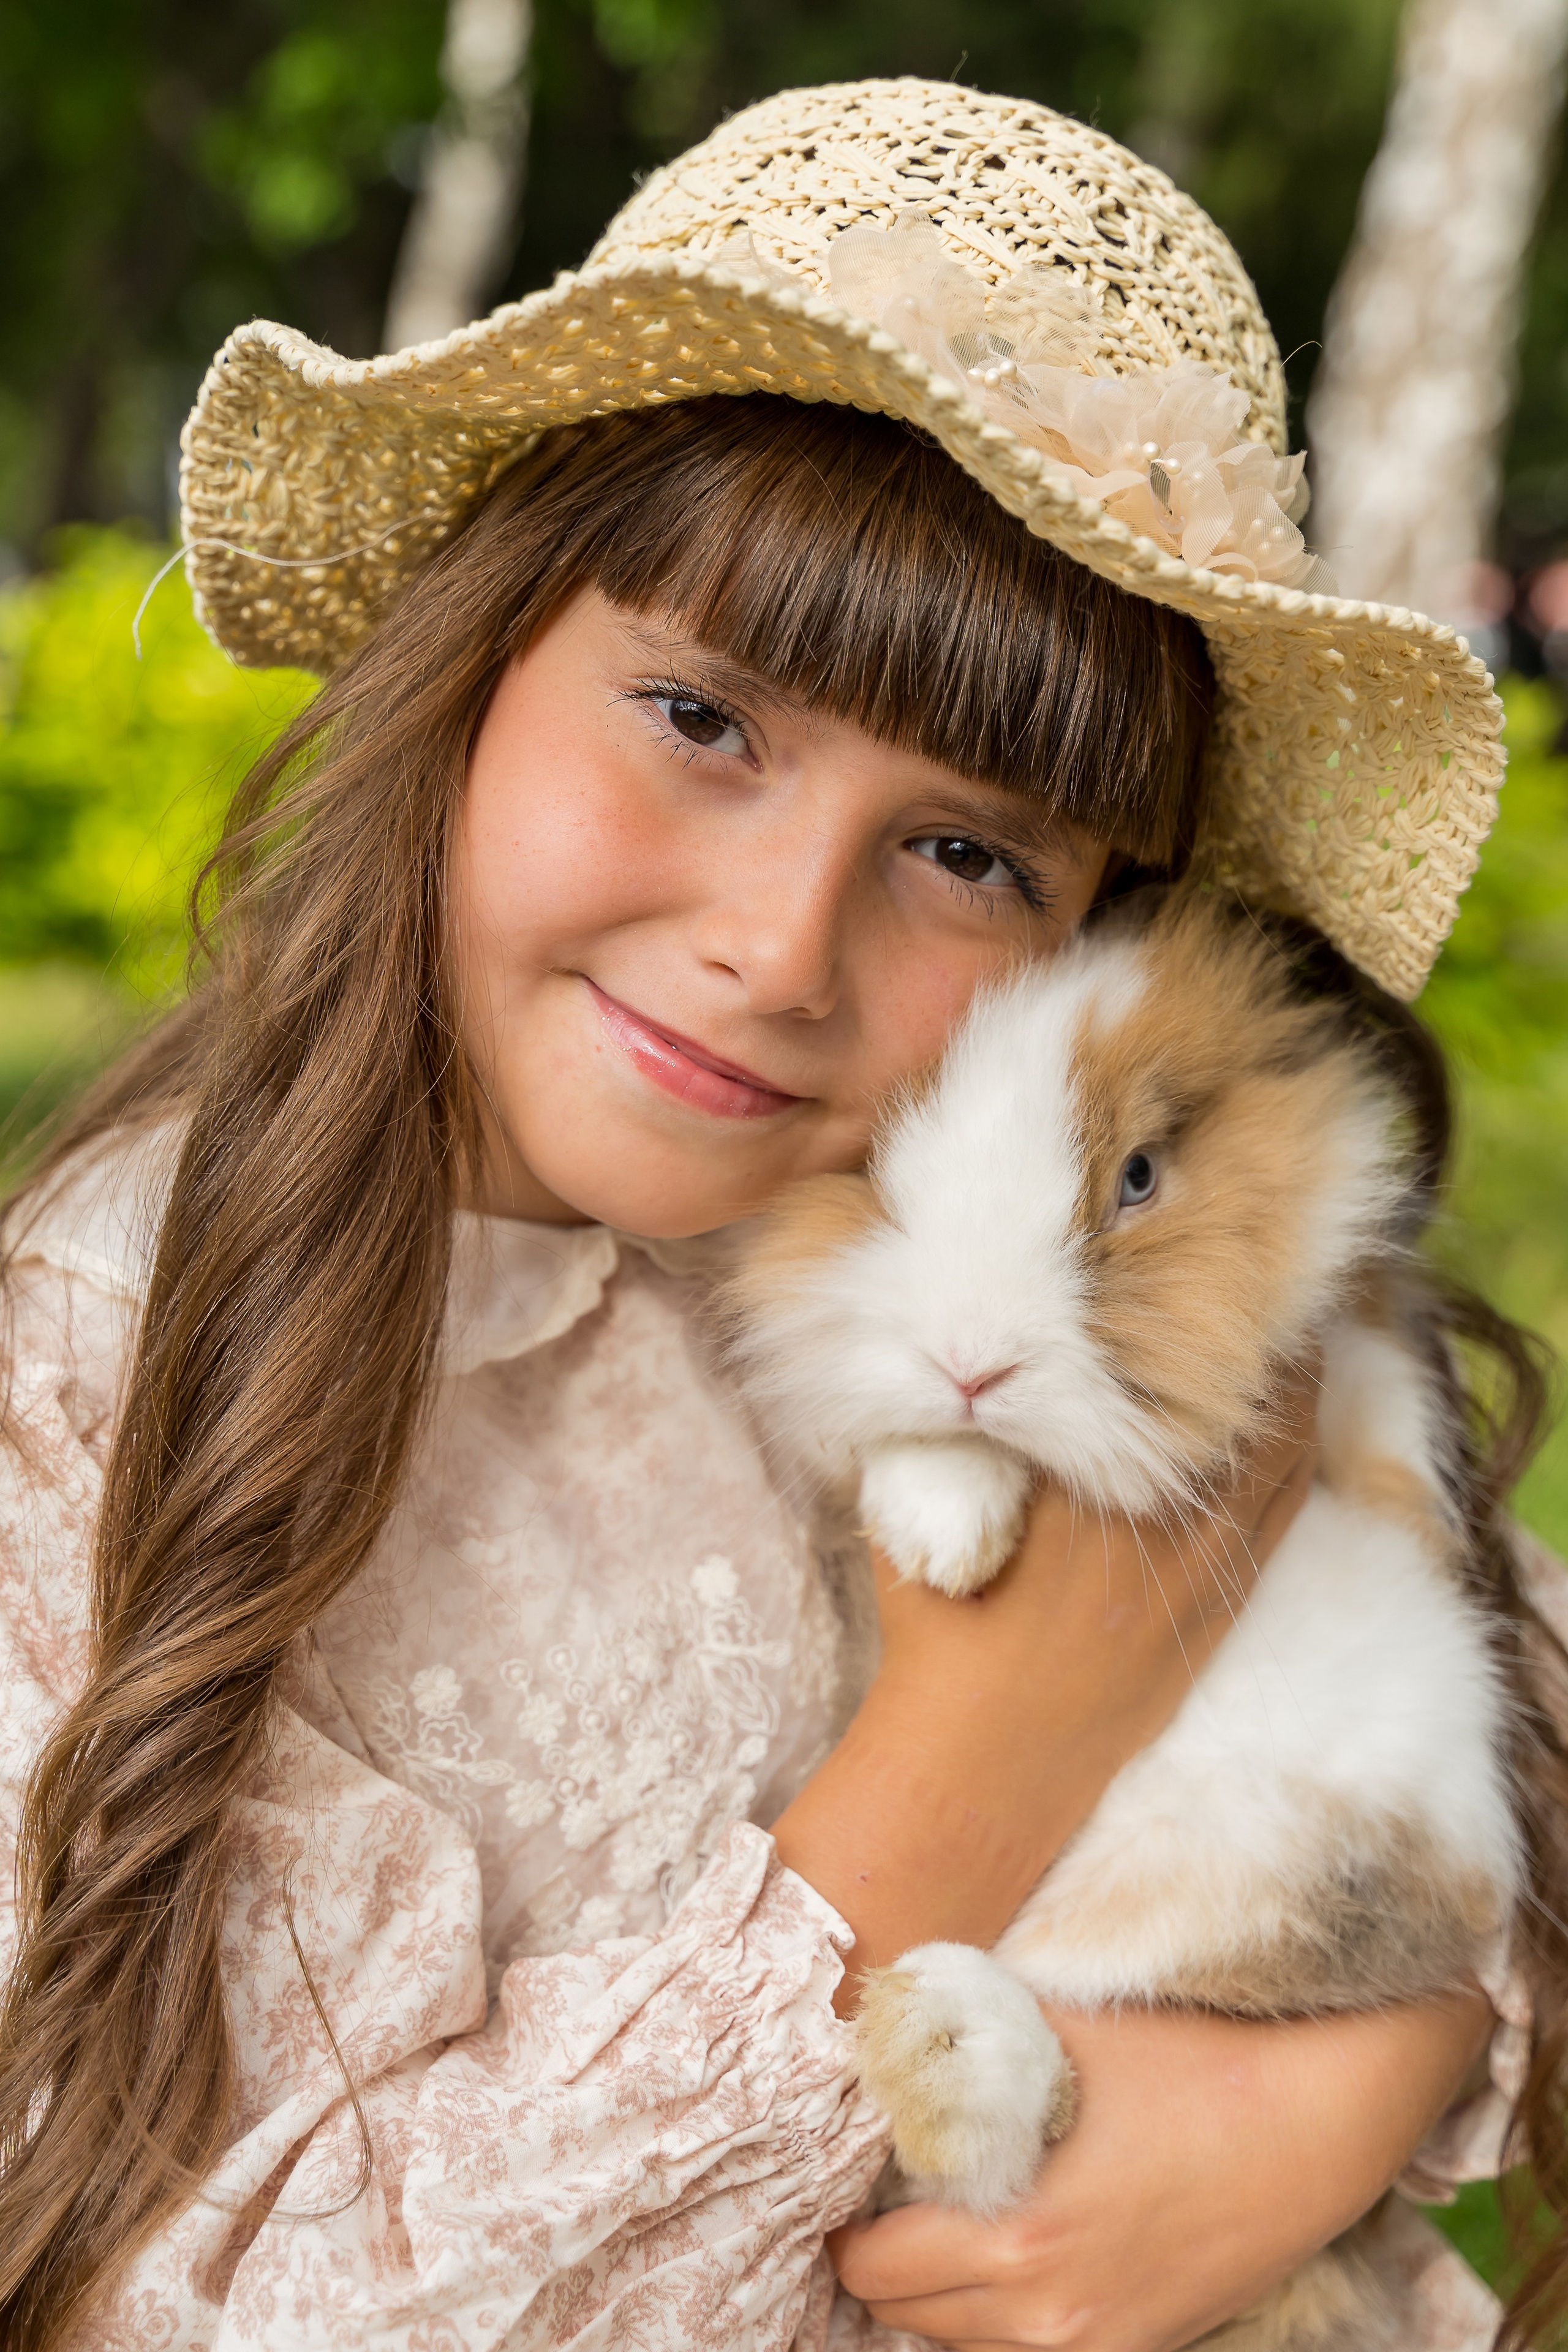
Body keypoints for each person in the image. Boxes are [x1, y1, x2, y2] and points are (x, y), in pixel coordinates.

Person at [0, 74, 1562, 2352]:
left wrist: (1346, 2082)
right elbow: (193, 2296)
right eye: (700, 716)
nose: (779, 943)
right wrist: (969, 1771)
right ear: (473, 656)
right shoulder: (90, 1379)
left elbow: (1503, 1698)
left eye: (971, 853)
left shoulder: (1014, 1268)